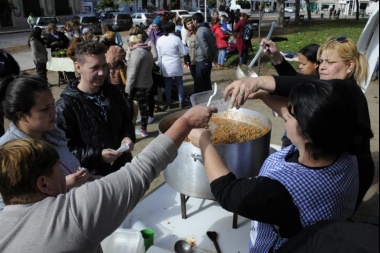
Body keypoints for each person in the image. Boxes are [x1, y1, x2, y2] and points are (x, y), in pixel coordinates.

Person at [0, 105, 217, 252]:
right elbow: (142, 169)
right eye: (58, 169)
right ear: (43, 184)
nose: (63, 173)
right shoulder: (69, 216)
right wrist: (187, 121)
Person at [189, 79, 364, 252]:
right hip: (328, 236)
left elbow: (226, 192)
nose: (285, 116)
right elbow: (306, 118)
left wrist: (205, 142)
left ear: (308, 133)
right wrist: (264, 95)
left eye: (291, 115)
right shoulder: (345, 147)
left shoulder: (282, 191)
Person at [223, 37, 374, 210]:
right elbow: (300, 83)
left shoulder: (347, 91)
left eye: (330, 62)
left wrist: (260, 81)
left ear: (350, 66)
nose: (322, 66)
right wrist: (277, 62)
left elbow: (306, 84)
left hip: (353, 173)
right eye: (321, 61)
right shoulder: (328, 86)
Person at [0, 75, 90, 211]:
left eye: (53, 104)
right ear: (21, 115)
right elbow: (6, 210)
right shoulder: (7, 153)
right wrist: (62, 185)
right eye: (45, 109)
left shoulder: (52, 134)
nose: (54, 112)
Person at [55, 40, 136, 176]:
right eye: (95, 68)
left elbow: (127, 120)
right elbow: (66, 150)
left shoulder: (113, 92)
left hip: (123, 168)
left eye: (104, 66)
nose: (102, 73)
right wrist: (98, 155)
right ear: (78, 67)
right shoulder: (65, 106)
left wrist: (128, 137)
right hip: (93, 178)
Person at [128, 24, 160, 124]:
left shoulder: (148, 41)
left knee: (149, 96)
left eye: (134, 35)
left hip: (148, 72)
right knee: (139, 99)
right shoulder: (131, 43)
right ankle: (142, 117)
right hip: (136, 73)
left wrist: (144, 57)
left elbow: (155, 56)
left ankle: (150, 115)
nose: (132, 37)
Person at [125, 35, 153, 138]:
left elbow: (133, 72)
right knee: (144, 107)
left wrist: (128, 88)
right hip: (147, 83)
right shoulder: (147, 51)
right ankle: (143, 129)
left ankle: (131, 134)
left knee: (134, 110)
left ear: (132, 44)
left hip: (138, 85)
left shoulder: (136, 53)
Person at [156, 22, 189, 110]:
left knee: (168, 85)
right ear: (173, 29)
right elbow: (184, 52)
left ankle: (169, 102)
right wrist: (188, 47)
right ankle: (181, 101)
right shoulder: (176, 39)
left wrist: (159, 65)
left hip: (165, 64)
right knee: (179, 83)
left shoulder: (160, 40)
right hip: (175, 63)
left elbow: (159, 55)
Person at [191, 12, 217, 93]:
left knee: (201, 84)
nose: (192, 23)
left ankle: (202, 102)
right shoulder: (207, 29)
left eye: (192, 21)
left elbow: (204, 47)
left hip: (202, 60)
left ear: (195, 20)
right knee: (206, 83)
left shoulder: (200, 31)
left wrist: (210, 58)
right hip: (206, 60)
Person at [0, 49, 20, 137]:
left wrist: (12, 81)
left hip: (8, 90)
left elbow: (16, 67)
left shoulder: (5, 54)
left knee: (14, 112)